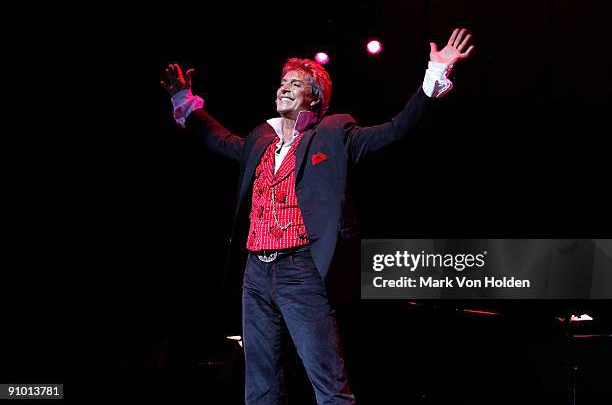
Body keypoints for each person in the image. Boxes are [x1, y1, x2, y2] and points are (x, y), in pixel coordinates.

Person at [161, 28, 474, 405]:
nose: (284, 88)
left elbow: (395, 130)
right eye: (282, 82)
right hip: (256, 273)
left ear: (316, 97)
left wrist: (433, 77)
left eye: (296, 83)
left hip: (302, 270)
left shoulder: (334, 133)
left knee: (328, 383)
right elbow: (219, 139)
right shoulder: (261, 140)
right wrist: (184, 99)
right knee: (258, 384)